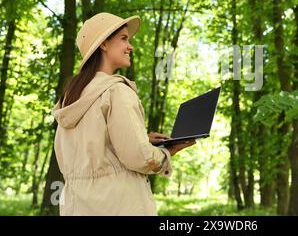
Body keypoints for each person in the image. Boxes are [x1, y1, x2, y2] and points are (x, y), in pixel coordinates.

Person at [52, 12, 195, 215]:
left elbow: (90, 148)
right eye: (123, 38)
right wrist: (168, 152)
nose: (130, 46)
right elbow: (139, 157)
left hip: (76, 206)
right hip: (119, 205)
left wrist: (141, 138)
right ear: (103, 44)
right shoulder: (115, 91)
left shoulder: (71, 97)